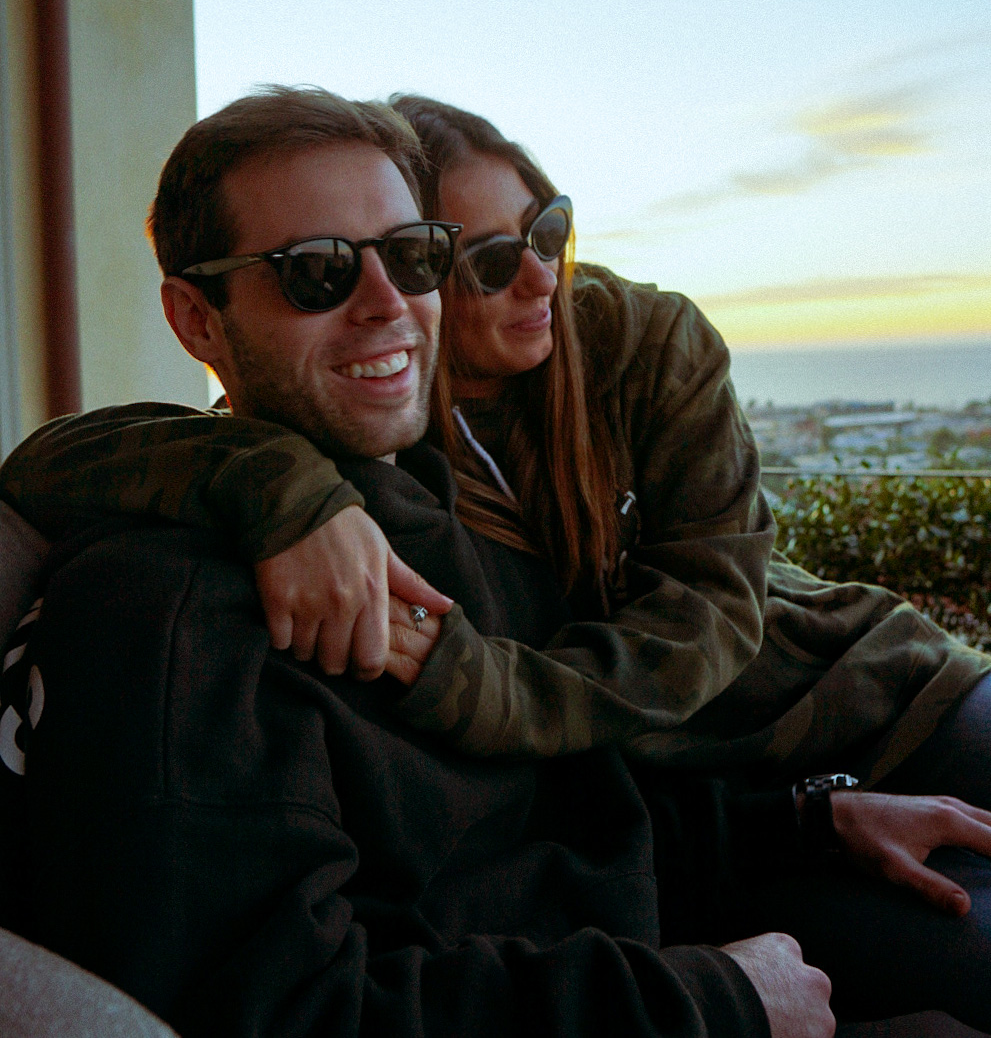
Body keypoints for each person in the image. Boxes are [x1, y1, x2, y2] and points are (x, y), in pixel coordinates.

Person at [4, 89, 991, 1034]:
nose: (388, 302)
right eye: (316, 270)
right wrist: (711, 1003)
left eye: (412, 256)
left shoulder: (417, 492)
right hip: (643, 960)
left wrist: (804, 821)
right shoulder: (180, 612)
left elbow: (551, 809)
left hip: (780, 774)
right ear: (196, 319)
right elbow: (283, 1008)